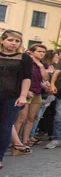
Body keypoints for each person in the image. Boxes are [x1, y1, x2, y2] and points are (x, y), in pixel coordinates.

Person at [0, 30, 32, 168]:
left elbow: (26, 78)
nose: (13, 43)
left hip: (12, 97)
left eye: (17, 41)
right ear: (2, 40)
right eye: (10, 40)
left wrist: (23, 96)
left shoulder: (24, 58)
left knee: (5, 127)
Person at [14, 44, 49, 149]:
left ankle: (25, 141)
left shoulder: (43, 64)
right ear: (32, 52)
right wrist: (26, 91)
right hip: (26, 92)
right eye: (39, 51)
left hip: (37, 92)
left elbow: (45, 78)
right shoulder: (26, 62)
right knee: (21, 117)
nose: (41, 53)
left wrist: (41, 66)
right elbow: (21, 77)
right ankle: (13, 141)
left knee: (31, 118)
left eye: (43, 52)